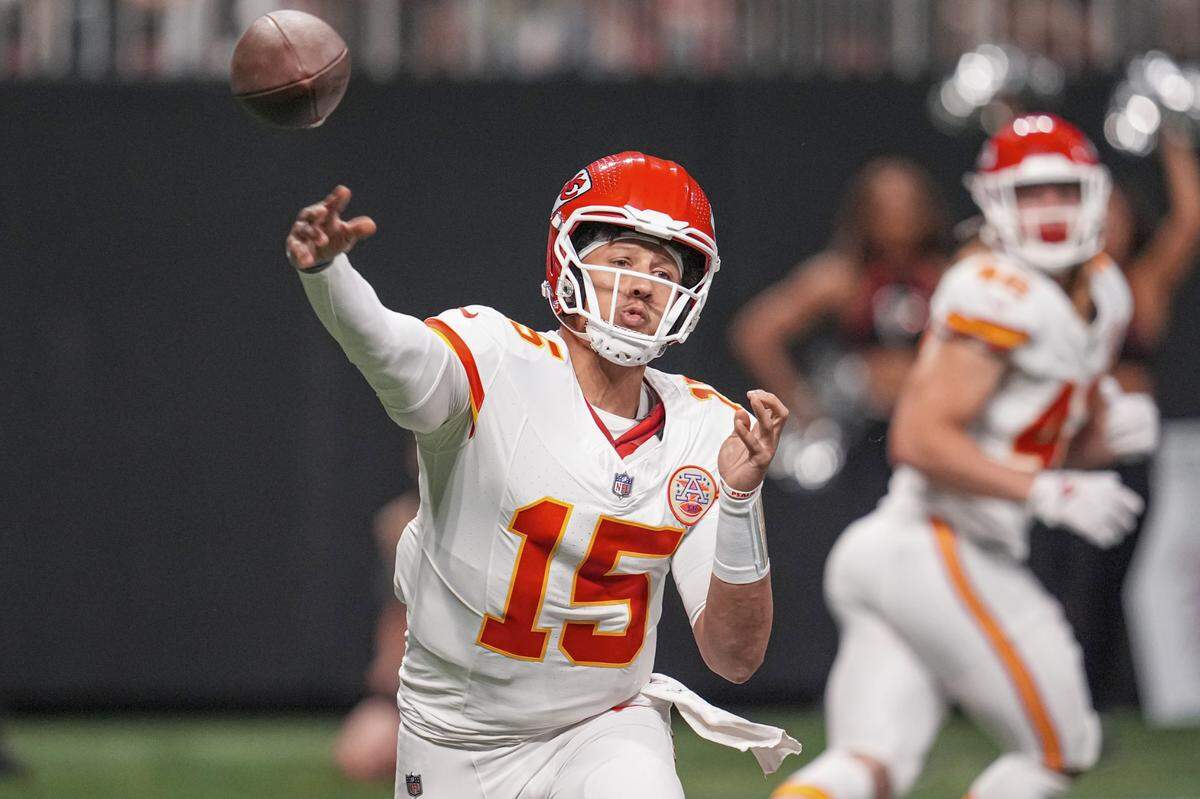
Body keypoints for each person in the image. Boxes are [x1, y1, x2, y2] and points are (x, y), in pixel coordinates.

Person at [283, 152, 800, 799]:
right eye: (623, 261)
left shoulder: (709, 429)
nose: (643, 285)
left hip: (603, 722)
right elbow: (394, 352)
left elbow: (734, 655)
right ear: (569, 258)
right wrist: (332, 277)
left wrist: (740, 499)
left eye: (664, 271)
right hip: (456, 735)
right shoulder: (494, 358)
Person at [770, 115, 1159, 799]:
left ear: (1096, 193)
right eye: (1030, 194)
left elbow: (1028, 428)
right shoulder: (995, 289)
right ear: (993, 201)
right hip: (943, 544)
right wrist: (1049, 492)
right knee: (1060, 749)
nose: (1048, 211)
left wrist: (1101, 438)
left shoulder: (1102, 289)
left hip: (907, 551)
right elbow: (919, 439)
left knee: (870, 762)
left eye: (1062, 191)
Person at [730, 157, 948, 490]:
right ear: (864, 212)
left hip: (932, 438)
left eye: (908, 203)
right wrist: (804, 408)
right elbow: (756, 333)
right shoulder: (842, 278)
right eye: (885, 205)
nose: (899, 214)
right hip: (861, 444)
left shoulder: (950, 279)